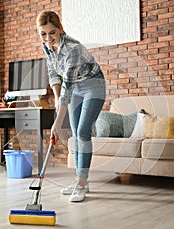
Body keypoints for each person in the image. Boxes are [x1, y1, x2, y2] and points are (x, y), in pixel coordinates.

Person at [36, 11, 106, 202]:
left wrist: (56, 123)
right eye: (43, 34)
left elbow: (68, 85)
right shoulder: (47, 46)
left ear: (59, 29)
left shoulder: (72, 49)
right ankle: (80, 180)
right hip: (74, 90)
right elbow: (53, 73)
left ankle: (81, 185)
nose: (48, 38)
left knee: (83, 132)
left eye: (52, 32)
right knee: (76, 135)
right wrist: (57, 97)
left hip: (93, 86)